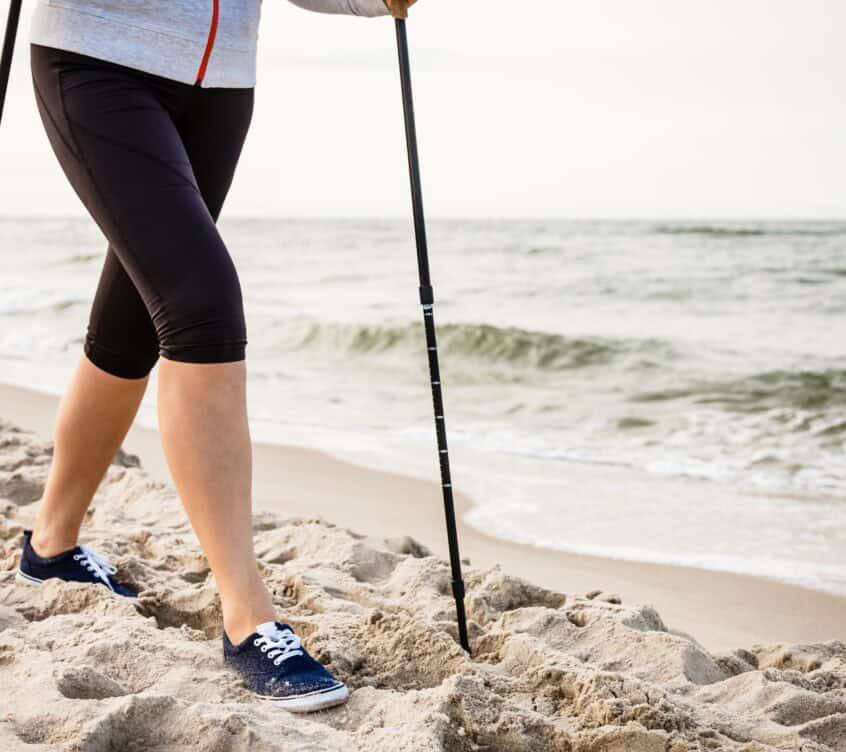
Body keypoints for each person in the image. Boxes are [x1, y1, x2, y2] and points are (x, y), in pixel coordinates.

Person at [17, 0, 417, 714]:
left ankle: (51, 545)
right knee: (199, 303)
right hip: (97, 58)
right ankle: (247, 616)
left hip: (221, 83)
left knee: (133, 319)